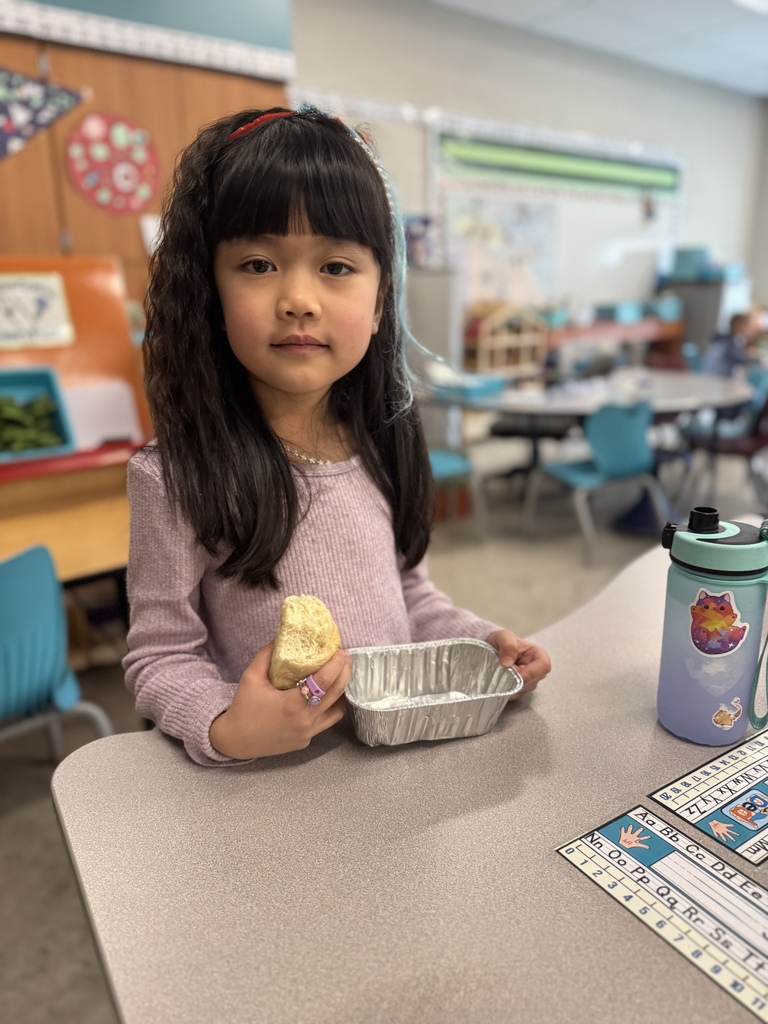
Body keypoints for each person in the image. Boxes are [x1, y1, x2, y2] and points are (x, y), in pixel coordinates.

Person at [123, 105, 551, 766]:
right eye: (259, 265)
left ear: (381, 301)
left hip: (392, 770)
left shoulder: (387, 440)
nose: (298, 298)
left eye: (336, 267)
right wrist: (224, 726)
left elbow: (410, 594)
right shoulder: (178, 474)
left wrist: (482, 642)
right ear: (211, 290)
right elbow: (160, 654)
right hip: (265, 786)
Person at [701, 311, 761, 378]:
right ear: (739, 326)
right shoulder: (729, 342)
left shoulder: (725, 338)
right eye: (748, 327)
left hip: (711, 376)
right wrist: (758, 360)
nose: (750, 330)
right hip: (714, 378)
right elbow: (739, 358)